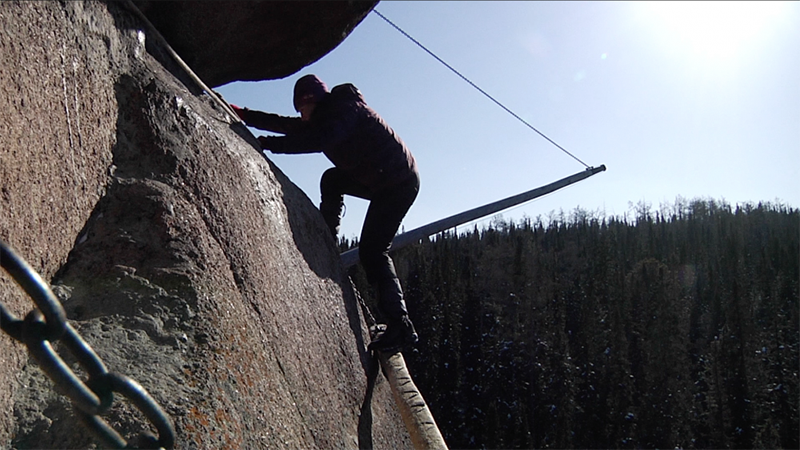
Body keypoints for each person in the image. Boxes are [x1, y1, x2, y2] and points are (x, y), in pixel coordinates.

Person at [230, 74, 420, 352]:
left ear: (311, 100)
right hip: (378, 178)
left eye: (301, 108)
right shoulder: (327, 115)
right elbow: (293, 127)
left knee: (373, 251)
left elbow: (319, 139)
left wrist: (268, 144)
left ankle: (401, 326)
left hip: (398, 183)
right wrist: (245, 115)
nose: (300, 114)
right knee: (332, 179)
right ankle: (328, 238)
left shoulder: (344, 110)